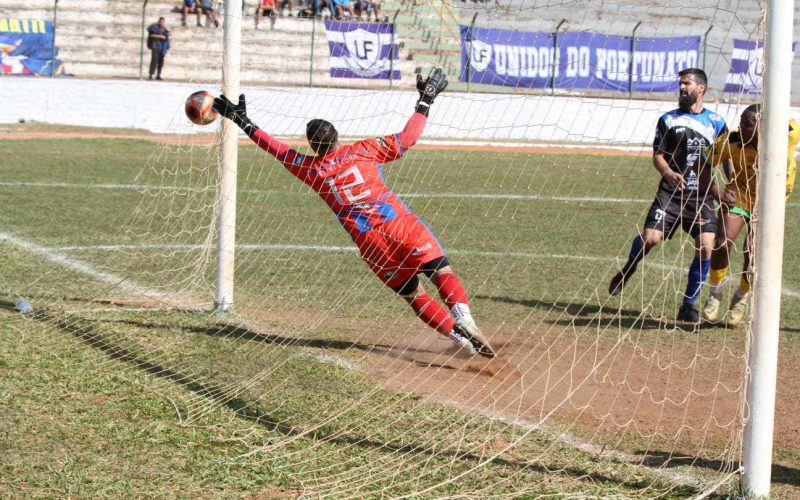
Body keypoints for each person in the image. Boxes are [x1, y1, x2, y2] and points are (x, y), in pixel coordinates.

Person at [212, 69, 496, 358]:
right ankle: (466, 320)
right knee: (440, 272)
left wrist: (244, 122)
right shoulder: (364, 150)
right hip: (400, 225)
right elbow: (408, 138)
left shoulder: (311, 170)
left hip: (371, 245)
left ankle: (461, 340)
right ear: (337, 136)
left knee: (414, 295)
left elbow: (279, 151)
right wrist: (426, 100)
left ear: (313, 147)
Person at [608, 68, 729, 323]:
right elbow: (658, 156)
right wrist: (668, 173)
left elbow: (726, 157)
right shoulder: (668, 119)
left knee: (706, 247)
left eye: (687, 84)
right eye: (681, 84)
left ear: (701, 88)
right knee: (651, 239)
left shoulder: (717, 123)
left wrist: (731, 184)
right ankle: (628, 269)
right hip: (670, 194)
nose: (682, 88)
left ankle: (688, 305)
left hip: (702, 196)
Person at [701, 105, 799, 326]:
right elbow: (703, 164)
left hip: (770, 203)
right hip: (740, 196)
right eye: (741, 121)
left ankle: (741, 297)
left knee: (752, 252)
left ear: (762, 126)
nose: (741, 126)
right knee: (723, 243)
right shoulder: (732, 140)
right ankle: (715, 293)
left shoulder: (788, 134)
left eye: (748, 123)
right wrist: (717, 192)